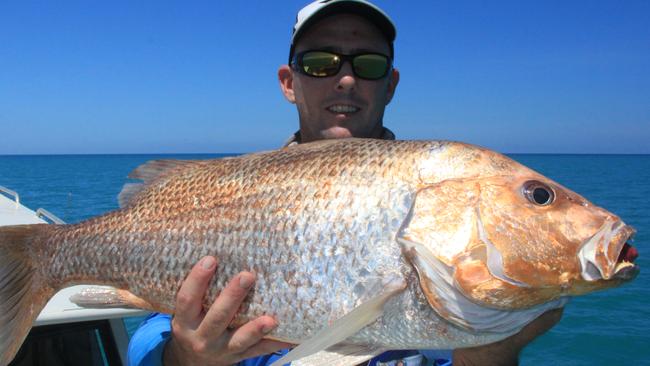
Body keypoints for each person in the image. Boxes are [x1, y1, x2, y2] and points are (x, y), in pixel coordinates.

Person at [127, 1, 564, 365]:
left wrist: (493, 348)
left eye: (369, 65)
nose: (347, 79)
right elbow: (145, 344)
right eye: (320, 64)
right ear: (288, 83)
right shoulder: (218, 195)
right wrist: (187, 358)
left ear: (390, 85)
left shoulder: (435, 192)